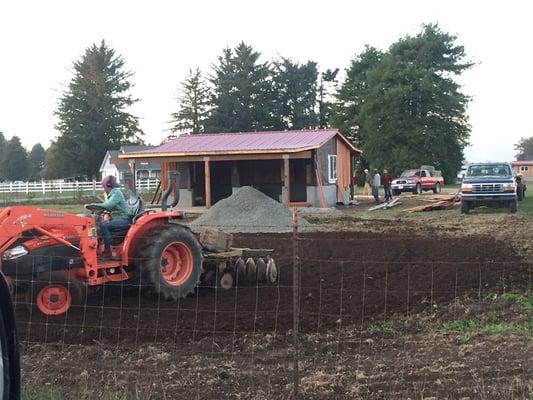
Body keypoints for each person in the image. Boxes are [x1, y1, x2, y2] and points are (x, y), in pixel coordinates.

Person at [91, 176, 132, 259]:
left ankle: (107, 252)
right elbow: (110, 208)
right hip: (117, 218)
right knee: (97, 224)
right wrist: (103, 212)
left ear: (108, 185)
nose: (103, 187)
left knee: (104, 225)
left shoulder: (116, 193)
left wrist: (92, 206)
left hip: (124, 219)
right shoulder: (111, 194)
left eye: (103, 185)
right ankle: (96, 249)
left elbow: (108, 205)